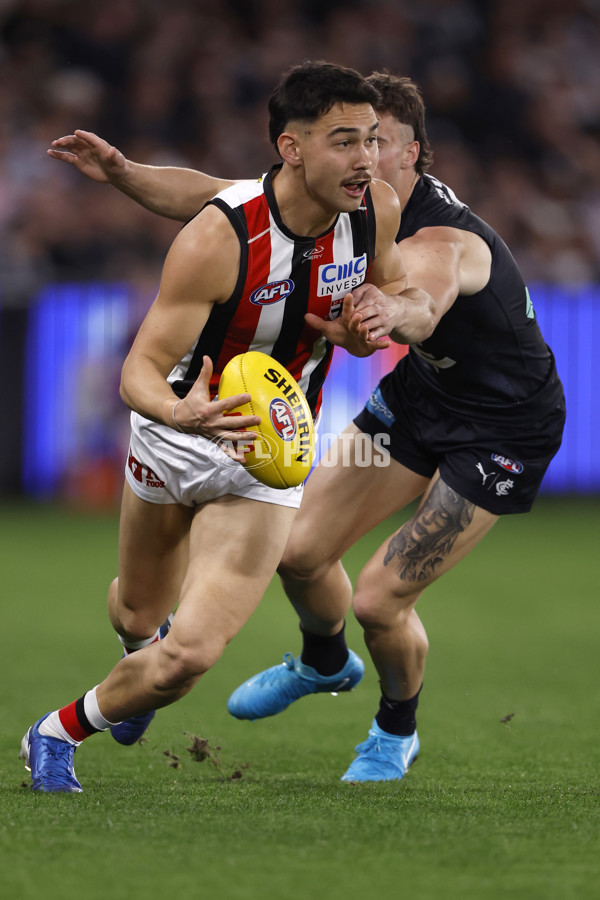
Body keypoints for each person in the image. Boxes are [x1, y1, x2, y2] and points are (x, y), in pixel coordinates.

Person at [44, 73, 566, 785]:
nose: (361, 154)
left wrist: (388, 319)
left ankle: (393, 731)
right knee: (299, 549)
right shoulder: (336, 199)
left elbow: (424, 303)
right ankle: (323, 662)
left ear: (409, 155)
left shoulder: (438, 234)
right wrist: (124, 174)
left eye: (374, 142)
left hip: (503, 426)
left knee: (379, 599)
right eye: (346, 139)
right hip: (422, 396)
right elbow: (214, 195)